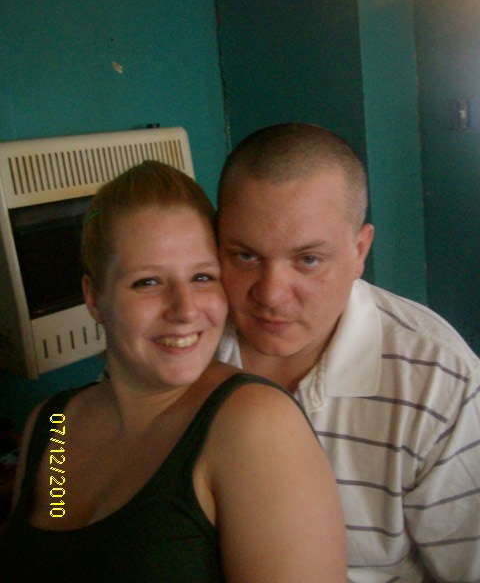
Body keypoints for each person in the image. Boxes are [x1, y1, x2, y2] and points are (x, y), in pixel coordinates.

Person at [0, 160, 346, 582]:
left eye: (202, 277)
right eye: (148, 282)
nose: (185, 309)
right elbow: (56, 543)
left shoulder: (254, 425)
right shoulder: (54, 426)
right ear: (94, 297)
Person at [215, 123, 480, 582]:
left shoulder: (438, 380)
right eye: (245, 256)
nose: (272, 294)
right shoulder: (182, 346)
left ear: (359, 251)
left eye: (308, 260)